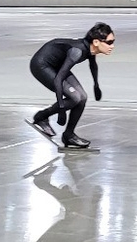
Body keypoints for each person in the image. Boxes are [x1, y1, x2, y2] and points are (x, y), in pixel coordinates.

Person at [26, 22, 114, 150]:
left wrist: (96, 85)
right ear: (96, 42)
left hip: (57, 65)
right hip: (41, 64)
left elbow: (93, 65)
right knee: (74, 97)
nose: (112, 46)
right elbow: (58, 80)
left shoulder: (90, 49)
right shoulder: (77, 51)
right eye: (109, 42)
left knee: (82, 97)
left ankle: (69, 135)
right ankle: (41, 116)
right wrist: (61, 108)